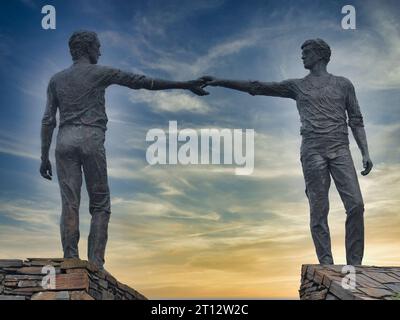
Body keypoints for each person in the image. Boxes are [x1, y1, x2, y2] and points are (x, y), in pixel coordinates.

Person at [40, 30, 208, 269]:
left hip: (64, 141)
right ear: (87, 48)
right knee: (100, 205)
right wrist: (184, 84)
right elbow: (143, 83)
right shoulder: (101, 73)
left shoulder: (56, 80)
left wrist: (43, 156)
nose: (100, 51)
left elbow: (48, 120)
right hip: (91, 139)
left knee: (70, 203)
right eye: (98, 46)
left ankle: (70, 258)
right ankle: (96, 264)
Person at [201, 39, 372, 265]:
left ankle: (354, 265)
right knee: (318, 210)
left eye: (306, 52)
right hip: (312, 151)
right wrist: (221, 82)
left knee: (356, 205)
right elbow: (258, 87)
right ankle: (327, 265)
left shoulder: (344, 84)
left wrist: (365, 152)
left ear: (320, 55)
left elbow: (356, 120)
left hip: (340, 149)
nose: (302, 57)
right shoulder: (296, 86)